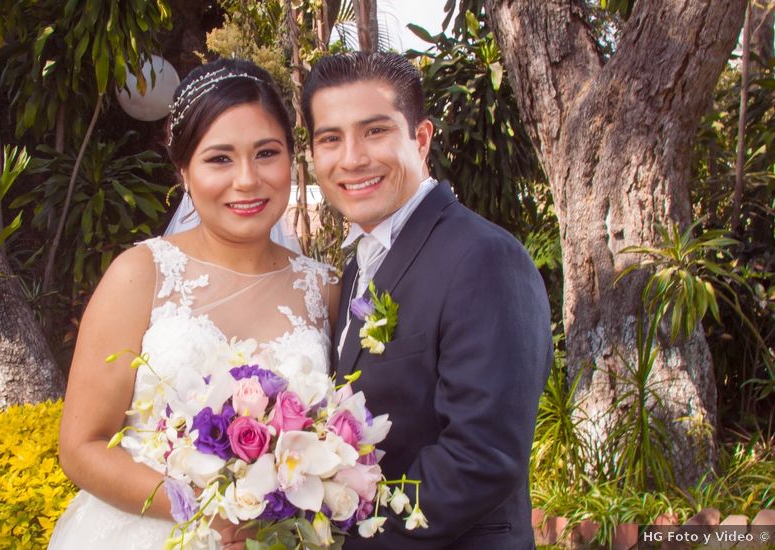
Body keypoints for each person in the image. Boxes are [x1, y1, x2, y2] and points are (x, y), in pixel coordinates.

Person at [49, 58, 340, 550]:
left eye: (266, 153)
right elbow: (80, 446)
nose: (247, 180)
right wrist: (203, 507)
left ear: (293, 158)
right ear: (184, 170)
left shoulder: (326, 289)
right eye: (219, 158)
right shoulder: (140, 274)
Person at [302, 51, 553, 549]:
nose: (351, 158)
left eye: (375, 131)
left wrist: (348, 540)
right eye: (330, 138)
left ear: (420, 138)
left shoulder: (483, 257)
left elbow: (480, 457)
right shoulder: (359, 265)